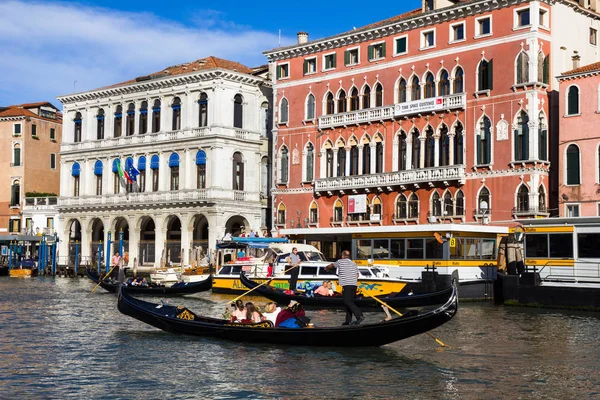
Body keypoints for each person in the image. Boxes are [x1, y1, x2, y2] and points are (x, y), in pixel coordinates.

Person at [326, 250, 364, 325]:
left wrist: (326, 267)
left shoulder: (340, 261)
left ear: (342, 256)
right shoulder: (353, 263)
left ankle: (360, 316)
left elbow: (332, 266)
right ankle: (348, 321)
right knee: (349, 303)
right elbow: (357, 275)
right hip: (354, 286)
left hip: (347, 285)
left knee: (347, 302)